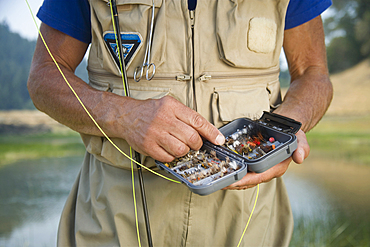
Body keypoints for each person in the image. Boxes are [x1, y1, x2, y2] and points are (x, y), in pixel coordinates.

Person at [28, 0, 333, 246]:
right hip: (115, 221)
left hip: (249, 224)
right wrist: (124, 114)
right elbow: (44, 77)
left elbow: (312, 72)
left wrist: (286, 131)